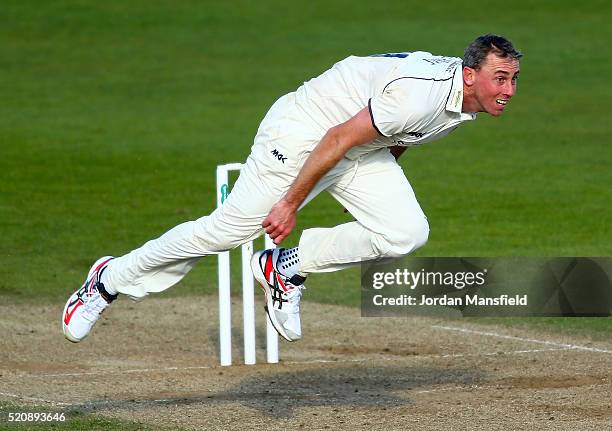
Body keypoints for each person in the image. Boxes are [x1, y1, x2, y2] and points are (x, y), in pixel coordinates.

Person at [62, 34, 522, 343]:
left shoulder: (463, 103)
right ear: (468, 74)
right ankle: (106, 281)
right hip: (304, 133)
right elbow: (338, 138)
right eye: (500, 78)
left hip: (355, 146)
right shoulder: (418, 94)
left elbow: (396, 138)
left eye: (514, 78)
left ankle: (285, 268)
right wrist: (289, 204)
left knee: (404, 231)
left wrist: (372, 190)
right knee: (223, 233)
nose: (509, 90)